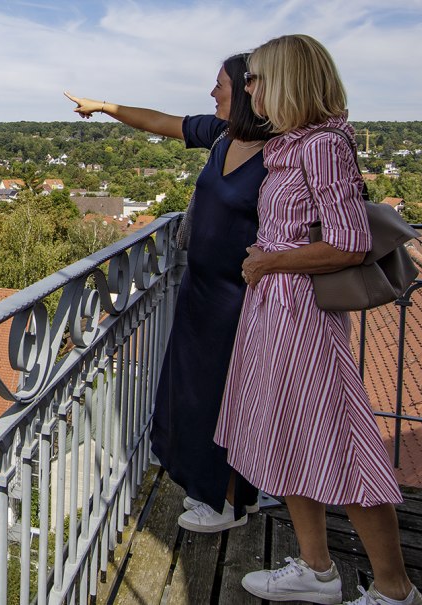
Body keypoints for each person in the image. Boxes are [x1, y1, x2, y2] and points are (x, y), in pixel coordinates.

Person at [220, 34, 422, 605]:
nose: (250, 89)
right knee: (289, 439)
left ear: (287, 80)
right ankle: (316, 570)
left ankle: (395, 591)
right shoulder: (295, 144)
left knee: (339, 442)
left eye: (258, 78)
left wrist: (271, 260)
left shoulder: (323, 146)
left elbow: (351, 242)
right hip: (277, 312)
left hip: (304, 315)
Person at [65, 52, 275, 534]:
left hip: (242, 296)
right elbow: (161, 122)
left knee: (224, 397)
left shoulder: (280, 152)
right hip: (202, 289)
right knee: (202, 392)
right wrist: (103, 106)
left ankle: (226, 501)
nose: (212, 91)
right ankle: (236, 493)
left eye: (220, 83)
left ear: (246, 90)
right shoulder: (223, 135)